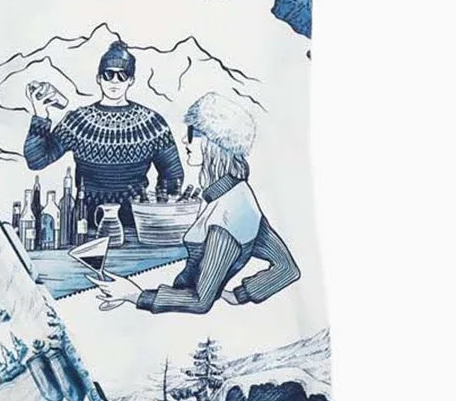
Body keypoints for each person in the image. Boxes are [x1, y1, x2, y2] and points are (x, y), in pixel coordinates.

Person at [97, 92, 299, 315]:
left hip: (179, 317)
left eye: (192, 133)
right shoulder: (238, 195)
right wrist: (238, 296)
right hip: (175, 309)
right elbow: (286, 269)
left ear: (214, 144)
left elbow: (200, 301)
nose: (185, 140)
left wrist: (134, 295)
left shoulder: (228, 213)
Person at [22, 39, 183, 239]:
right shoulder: (79, 121)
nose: (115, 81)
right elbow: (37, 160)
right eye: (108, 74)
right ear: (99, 78)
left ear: (131, 80)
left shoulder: (152, 123)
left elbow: (173, 175)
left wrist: (157, 215)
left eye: (122, 75)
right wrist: (40, 114)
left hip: (136, 227)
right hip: (85, 227)